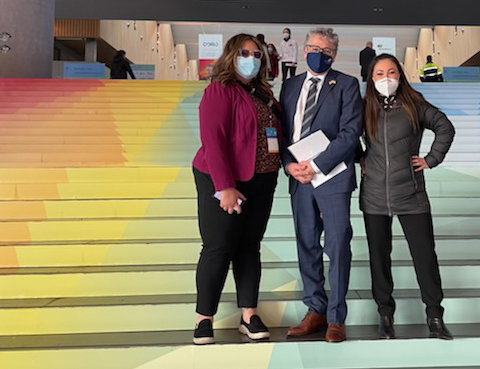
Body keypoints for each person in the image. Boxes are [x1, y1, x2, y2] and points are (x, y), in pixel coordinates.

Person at [190, 33, 281, 345]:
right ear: (231, 55)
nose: (251, 59)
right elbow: (212, 141)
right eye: (245, 53)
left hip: (262, 179)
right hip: (224, 181)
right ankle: (204, 318)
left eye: (257, 55)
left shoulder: (263, 93)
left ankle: (249, 314)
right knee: (218, 246)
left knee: (249, 247)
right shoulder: (220, 90)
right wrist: (225, 187)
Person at [360, 54, 456, 340]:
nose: (385, 78)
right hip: (374, 195)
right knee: (379, 258)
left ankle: (435, 316)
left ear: (400, 76)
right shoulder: (363, 107)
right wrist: (360, 157)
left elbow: (445, 127)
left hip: (411, 193)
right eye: (379, 73)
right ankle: (386, 316)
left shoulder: (414, 104)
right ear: (371, 78)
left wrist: (431, 159)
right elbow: (347, 134)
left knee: (424, 256)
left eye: (391, 72)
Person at [280, 27, 362, 343]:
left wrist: (315, 165)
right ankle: (315, 309)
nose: (320, 53)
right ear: (304, 51)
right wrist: (289, 166)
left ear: (334, 55)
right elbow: (283, 132)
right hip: (298, 179)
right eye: (314, 47)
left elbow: (350, 133)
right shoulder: (289, 86)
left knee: (338, 244)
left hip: (333, 176)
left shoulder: (347, 85)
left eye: (326, 50)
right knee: (307, 244)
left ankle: (336, 317)